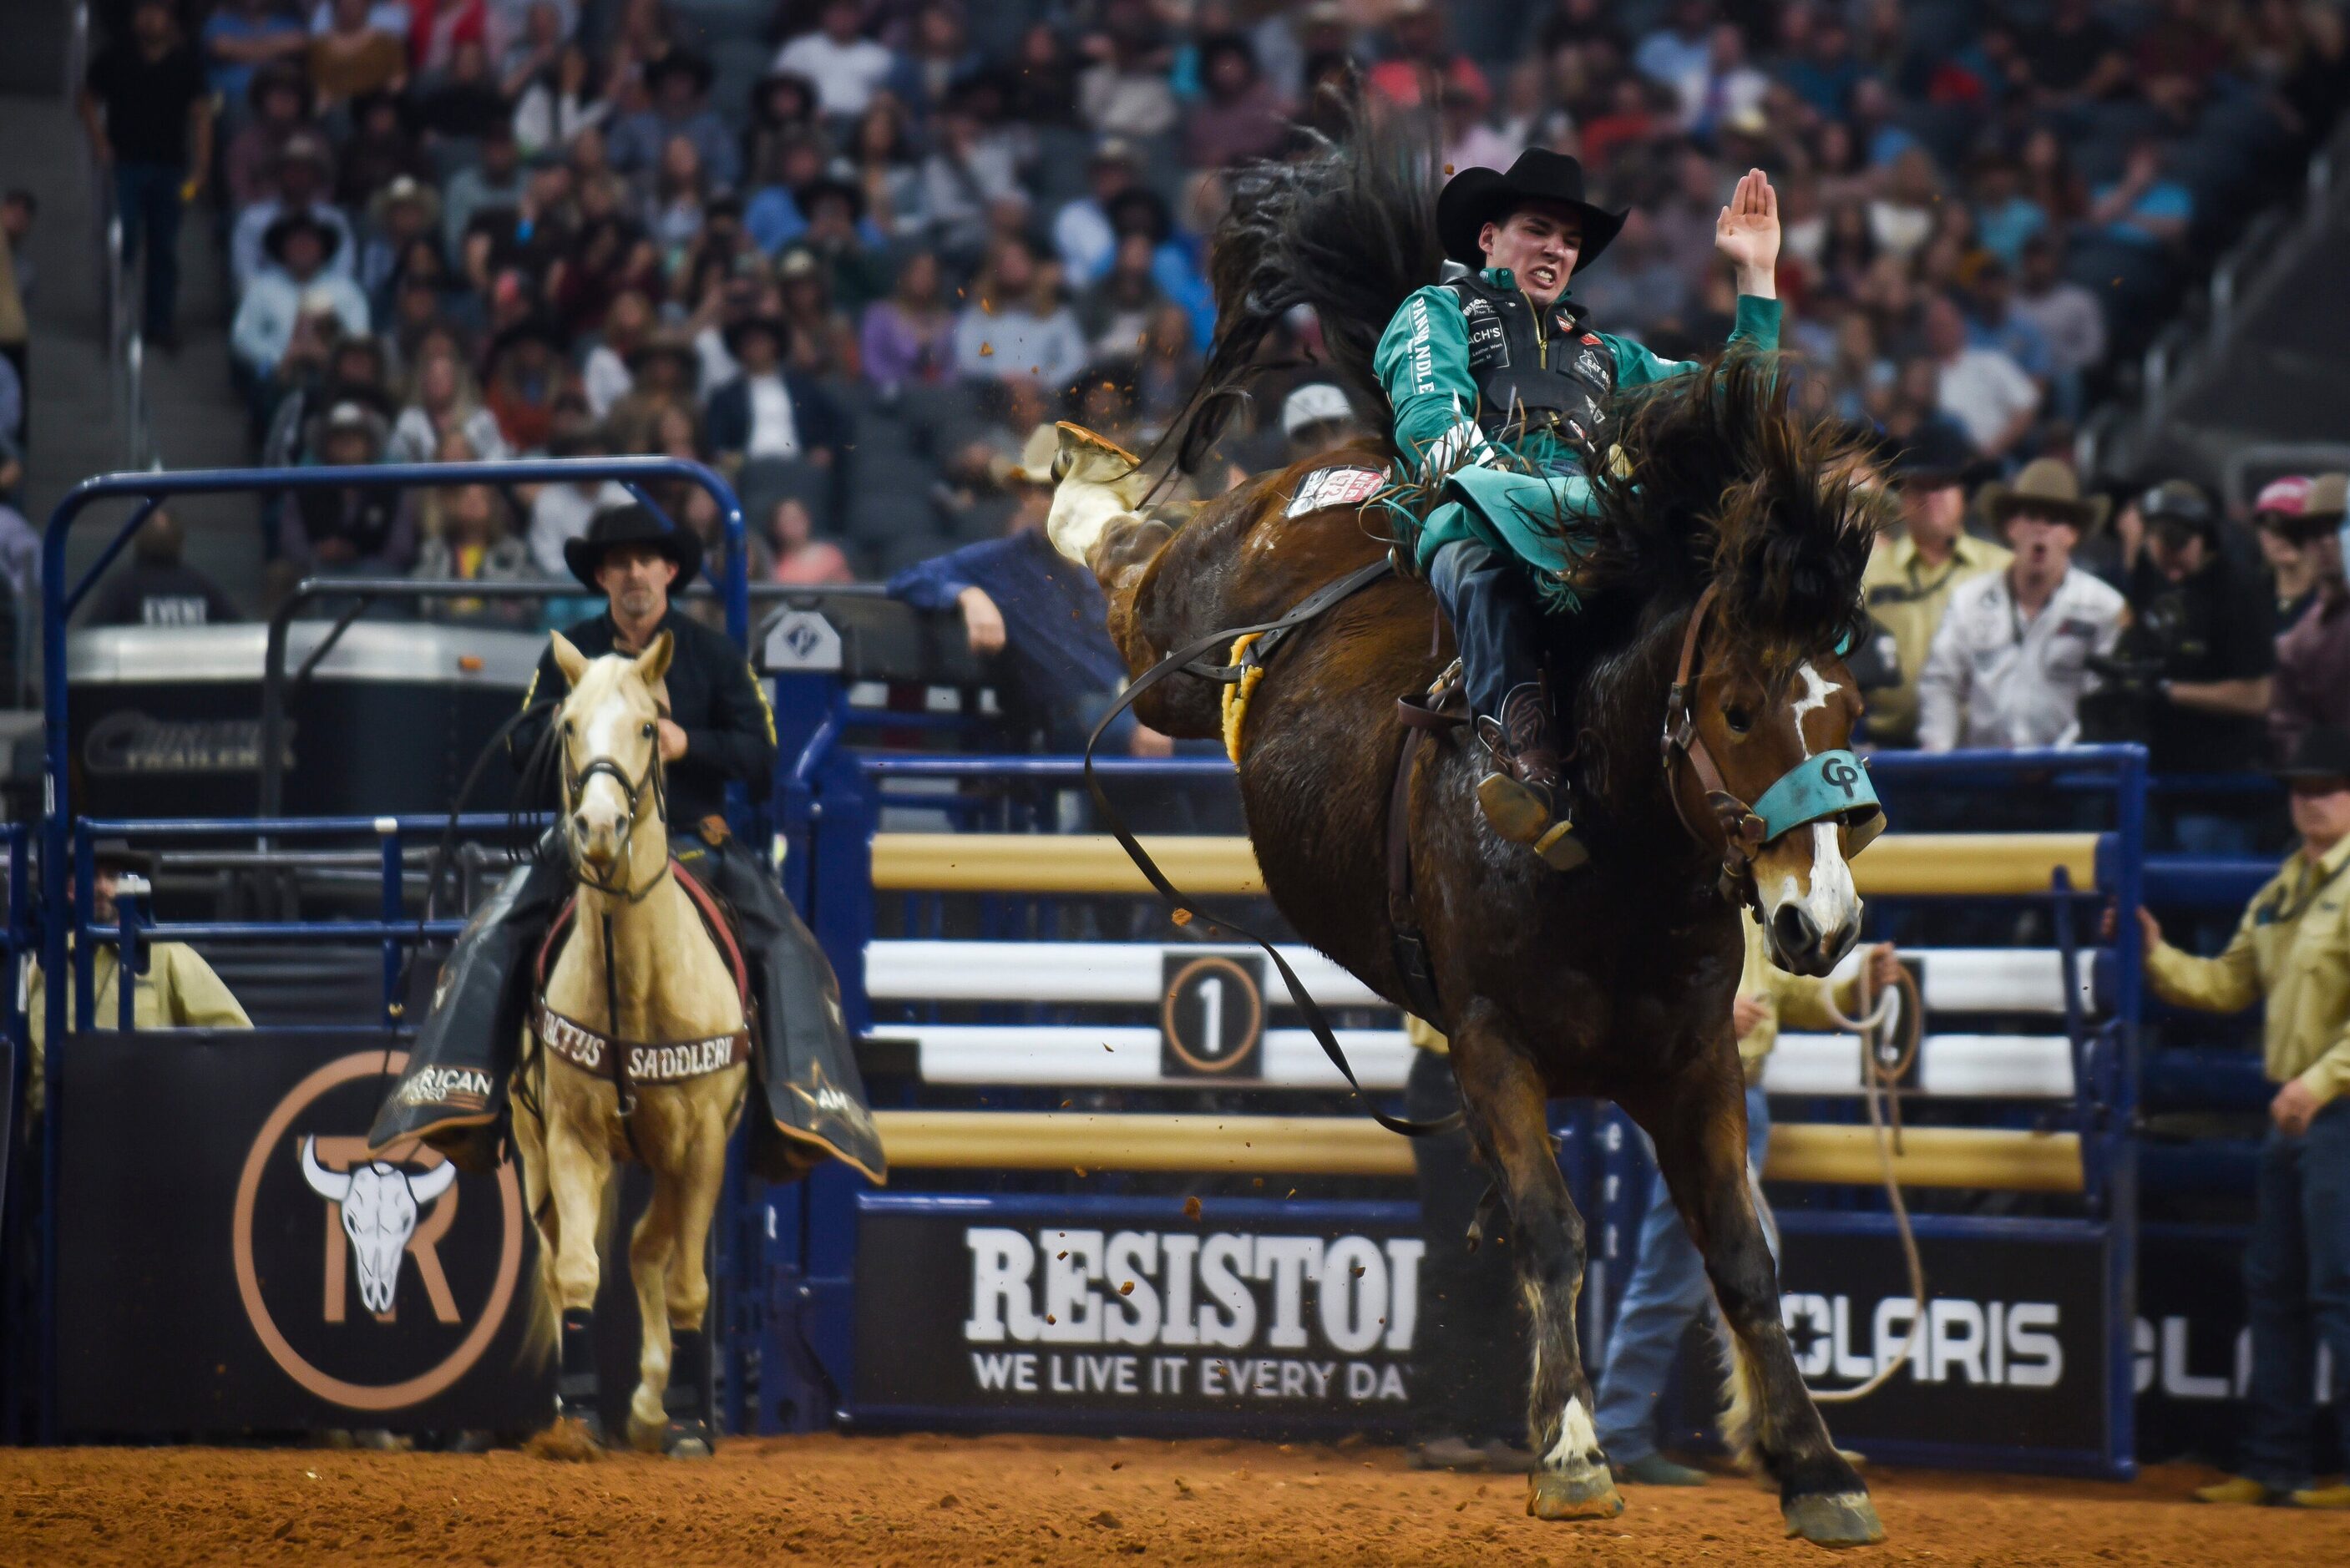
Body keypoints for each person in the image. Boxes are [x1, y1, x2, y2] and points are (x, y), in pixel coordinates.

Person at [372, 505, 880, 1181]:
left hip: (696, 840)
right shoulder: (572, 654)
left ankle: (801, 1110)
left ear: (669, 570)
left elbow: (762, 756)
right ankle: (463, 1097)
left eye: (646, 560)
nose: (634, 573)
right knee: (491, 930)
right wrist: (567, 727)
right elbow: (521, 745)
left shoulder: (713, 656)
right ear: (603, 577)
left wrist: (686, 743)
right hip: (586, 835)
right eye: (619, 563)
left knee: (786, 941)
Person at [1373, 151, 1784, 870]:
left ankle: (1756, 784)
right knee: (1479, 560)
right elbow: (1429, 412)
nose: (1558, 250)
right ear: (1488, 238)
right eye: (1540, 230)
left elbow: (1732, 408)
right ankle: (1523, 752)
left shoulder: (1609, 356)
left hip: (1594, 518)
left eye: (1569, 242)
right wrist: (1498, 486)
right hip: (1477, 506)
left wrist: (1755, 276)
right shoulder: (1437, 310)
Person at [2130, 725, 2350, 1510]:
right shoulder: (2286, 887)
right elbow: (2225, 985)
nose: (2310, 801)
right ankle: (2275, 1461)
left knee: (2335, 1285)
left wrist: (2322, 1081)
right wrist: (2153, 952)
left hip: (2332, 1113)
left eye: (2325, 788)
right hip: (2299, 1116)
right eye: (2300, 788)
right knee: (2280, 1287)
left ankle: (2298, 1461)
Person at [1594, 929, 1900, 1485]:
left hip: (1720, 1094)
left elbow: (1791, 992)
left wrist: (1856, 986)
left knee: (1681, 1268)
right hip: (1692, 1092)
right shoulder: (1694, 895)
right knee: (1734, 1261)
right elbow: (1625, 995)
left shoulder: (1743, 905)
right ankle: (1766, 1435)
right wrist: (1703, 1014)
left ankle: (1635, 1431)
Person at [886, 424, 1127, 747]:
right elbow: (908, 579)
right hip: (1063, 722)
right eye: (1045, 489)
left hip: (1123, 712)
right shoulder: (1000, 562)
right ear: (1024, 495)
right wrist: (967, 595)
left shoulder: (1110, 562)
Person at [1916, 459, 2125, 751]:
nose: (2040, 528)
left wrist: (2061, 756)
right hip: (1985, 778)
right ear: (2011, 527)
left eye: (2054, 519)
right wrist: (1938, 753)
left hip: (2073, 778)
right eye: (2030, 515)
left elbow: (2105, 697)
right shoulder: (1969, 601)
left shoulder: (2104, 608)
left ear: (2072, 533)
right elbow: (1942, 682)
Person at [27, 841, 254, 1108]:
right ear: (70, 889)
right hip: (59, 1130)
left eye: (112, 877)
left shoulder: (166, 953)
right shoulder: (46, 961)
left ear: (132, 888)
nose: (101, 887)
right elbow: (29, 1063)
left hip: (144, 1125)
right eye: (90, 876)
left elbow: (236, 1037)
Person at [2115, 480, 2277, 851]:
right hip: (2154, 776)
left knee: (2202, 854)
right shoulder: (2147, 572)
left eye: (2180, 546)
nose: (2170, 561)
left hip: (2217, 784)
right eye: (2159, 546)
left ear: (2204, 537)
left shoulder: (2239, 590)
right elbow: (2133, 623)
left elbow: (2257, 696)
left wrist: (2168, 691)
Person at [1857, 424, 2009, 748]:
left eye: (1942, 485)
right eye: (1918, 487)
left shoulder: (2001, 569)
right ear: (1902, 496)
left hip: (1984, 751)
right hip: (1891, 751)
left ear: (1963, 496)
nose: (1930, 497)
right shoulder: (1870, 576)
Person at [80, 0, 214, 350]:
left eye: (159, 12)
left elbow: (201, 115)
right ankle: (117, 318)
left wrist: (201, 168)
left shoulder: (187, 63)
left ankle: (159, 323)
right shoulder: (116, 56)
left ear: (171, 20)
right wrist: (99, 141)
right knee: (122, 242)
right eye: (144, 11)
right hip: (124, 165)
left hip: (171, 170)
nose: (150, 19)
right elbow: (87, 99)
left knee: (164, 249)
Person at [2271, 474, 2350, 761]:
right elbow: (2287, 729)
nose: (2329, 542)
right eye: (2316, 533)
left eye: (2338, 528)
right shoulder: (2299, 641)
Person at [86, 510, 241, 627]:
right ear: (181, 542)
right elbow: (238, 627)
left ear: (137, 542)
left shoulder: (121, 587)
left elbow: (92, 632)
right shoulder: (202, 584)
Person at [1281, 382, 1361, 462]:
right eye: (1309, 438)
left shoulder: (1372, 466)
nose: (1326, 448)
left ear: (1355, 434)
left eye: (1335, 432)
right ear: (1290, 451)